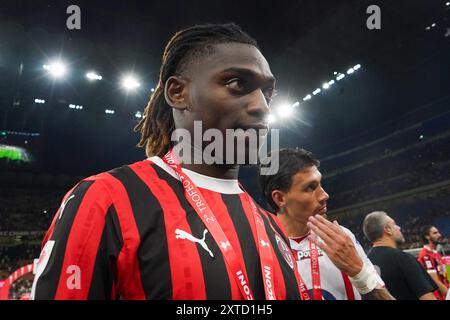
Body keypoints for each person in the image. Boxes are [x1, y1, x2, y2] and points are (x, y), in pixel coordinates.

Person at [31, 23, 302, 300]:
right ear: (177, 93)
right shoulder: (106, 199)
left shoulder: (273, 227)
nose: (262, 107)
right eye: (237, 84)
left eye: (267, 93)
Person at [258, 148, 393, 300]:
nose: (324, 195)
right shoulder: (261, 252)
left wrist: (359, 273)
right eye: (310, 187)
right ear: (280, 198)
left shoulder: (342, 237)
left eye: (320, 184)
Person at [363, 211, 438, 300]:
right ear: (388, 229)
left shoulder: (365, 264)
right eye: (395, 224)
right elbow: (428, 298)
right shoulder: (404, 259)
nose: (399, 227)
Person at [418, 225, 449, 299]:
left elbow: (444, 276)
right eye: (435, 233)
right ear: (427, 236)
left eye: (438, 232)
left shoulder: (436, 254)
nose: (439, 235)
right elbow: (435, 281)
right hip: (439, 296)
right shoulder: (425, 255)